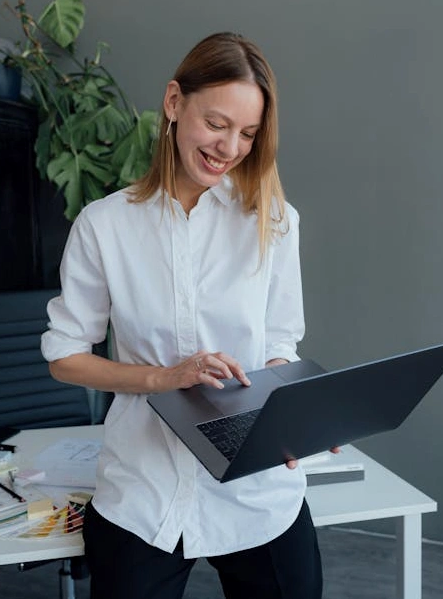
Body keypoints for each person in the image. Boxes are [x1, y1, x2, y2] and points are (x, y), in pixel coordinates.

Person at [41, 32, 322, 599]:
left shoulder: (274, 220)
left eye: (247, 134)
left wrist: (303, 415)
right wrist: (164, 379)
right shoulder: (104, 225)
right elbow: (66, 358)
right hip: (144, 493)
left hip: (255, 492)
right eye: (217, 124)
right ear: (174, 103)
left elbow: (280, 346)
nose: (230, 148)